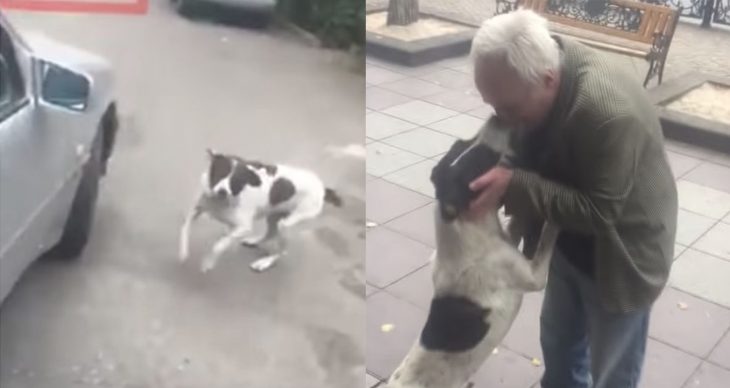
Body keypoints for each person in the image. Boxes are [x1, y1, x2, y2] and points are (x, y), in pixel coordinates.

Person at [466, 9, 678, 388]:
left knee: (613, 371)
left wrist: (513, 184)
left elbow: (601, 212)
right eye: (492, 106)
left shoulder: (607, 112)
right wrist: (501, 174)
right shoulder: (543, 68)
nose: (500, 120)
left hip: (622, 255)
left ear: (548, 80)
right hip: (568, 239)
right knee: (560, 347)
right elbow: (522, 134)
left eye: (508, 109)